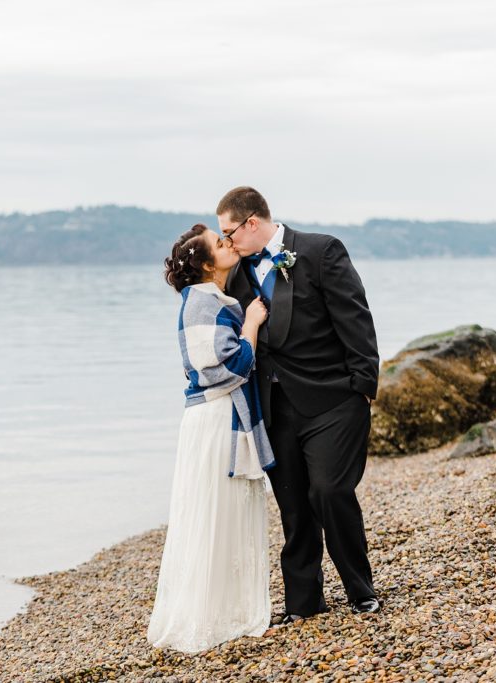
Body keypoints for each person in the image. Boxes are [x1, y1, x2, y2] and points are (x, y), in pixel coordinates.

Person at [218, 186, 381, 624]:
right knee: (293, 508)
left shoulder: (320, 251)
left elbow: (355, 317)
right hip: (273, 408)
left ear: (252, 223)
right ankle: (303, 604)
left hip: (333, 400)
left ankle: (360, 590)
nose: (227, 242)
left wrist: (364, 386)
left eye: (229, 232)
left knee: (329, 492)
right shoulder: (236, 274)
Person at [147, 224, 275, 653]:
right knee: (215, 510)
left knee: (228, 510)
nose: (228, 244)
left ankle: (230, 608)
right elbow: (227, 366)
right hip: (216, 419)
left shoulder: (214, 297)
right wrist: (253, 324)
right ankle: (210, 615)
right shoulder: (200, 304)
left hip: (220, 417)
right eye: (220, 244)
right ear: (205, 264)